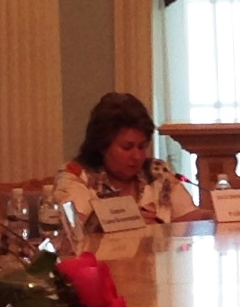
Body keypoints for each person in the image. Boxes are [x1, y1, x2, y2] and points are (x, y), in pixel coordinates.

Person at [57, 92, 201, 223]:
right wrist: (126, 222)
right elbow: (74, 227)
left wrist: (211, 215)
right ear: (102, 145)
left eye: (142, 147)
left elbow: (186, 218)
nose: (137, 156)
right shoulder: (76, 176)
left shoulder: (157, 172)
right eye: (127, 147)